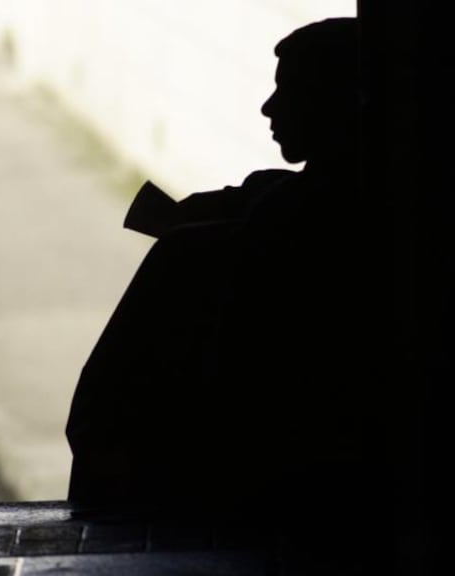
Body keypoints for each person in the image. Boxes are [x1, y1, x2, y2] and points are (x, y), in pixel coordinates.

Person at [66, 18, 392, 530]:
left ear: (337, 104)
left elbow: (99, 412)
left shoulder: (218, 240)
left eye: (290, 89)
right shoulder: (382, 225)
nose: (268, 107)